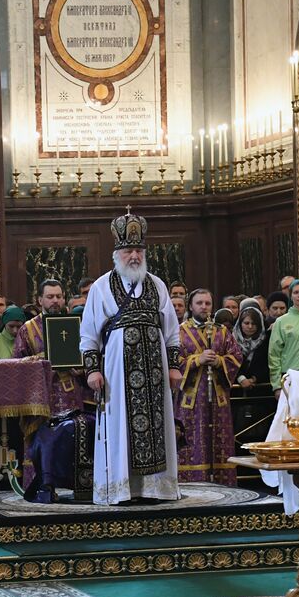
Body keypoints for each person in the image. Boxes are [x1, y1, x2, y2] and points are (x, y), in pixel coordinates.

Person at [79, 210, 182, 505]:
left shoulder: (158, 285)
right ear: (116, 253)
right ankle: (120, 489)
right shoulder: (100, 287)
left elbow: (172, 332)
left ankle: (155, 489)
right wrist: (92, 371)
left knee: (158, 427)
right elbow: (89, 336)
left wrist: (174, 367)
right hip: (115, 373)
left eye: (138, 250)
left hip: (156, 373)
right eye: (128, 250)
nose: (134, 255)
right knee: (119, 426)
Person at [176, 289, 242, 485]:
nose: (204, 307)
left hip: (218, 399)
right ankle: (191, 484)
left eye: (207, 303)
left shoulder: (222, 331)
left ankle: (223, 485)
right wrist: (197, 359)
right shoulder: (179, 332)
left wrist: (219, 361)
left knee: (218, 442)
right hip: (191, 401)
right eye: (199, 303)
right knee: (193, 441)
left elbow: (236, 357)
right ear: (191, 306)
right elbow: (172, 362)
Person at [14, 279, 93, 417]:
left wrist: (82, 368)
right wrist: (40, 359)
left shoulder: (75, 324)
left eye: (59, 296)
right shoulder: (28, 329)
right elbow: (17, 364)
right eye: (50, 297)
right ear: (40, 300)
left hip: (73, 393)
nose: (55, 300)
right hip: (43, 394)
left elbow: (89, 354)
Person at [233, 304, 270, 389]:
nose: (250, 327)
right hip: (236, 388)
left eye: (254, 323)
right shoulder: (231, 340)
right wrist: (241, 378)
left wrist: (254, 379)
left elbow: (269, 364)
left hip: (261, 388)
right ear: (240, 323)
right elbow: (229, 362)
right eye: (246, 323)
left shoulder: (266, 340)